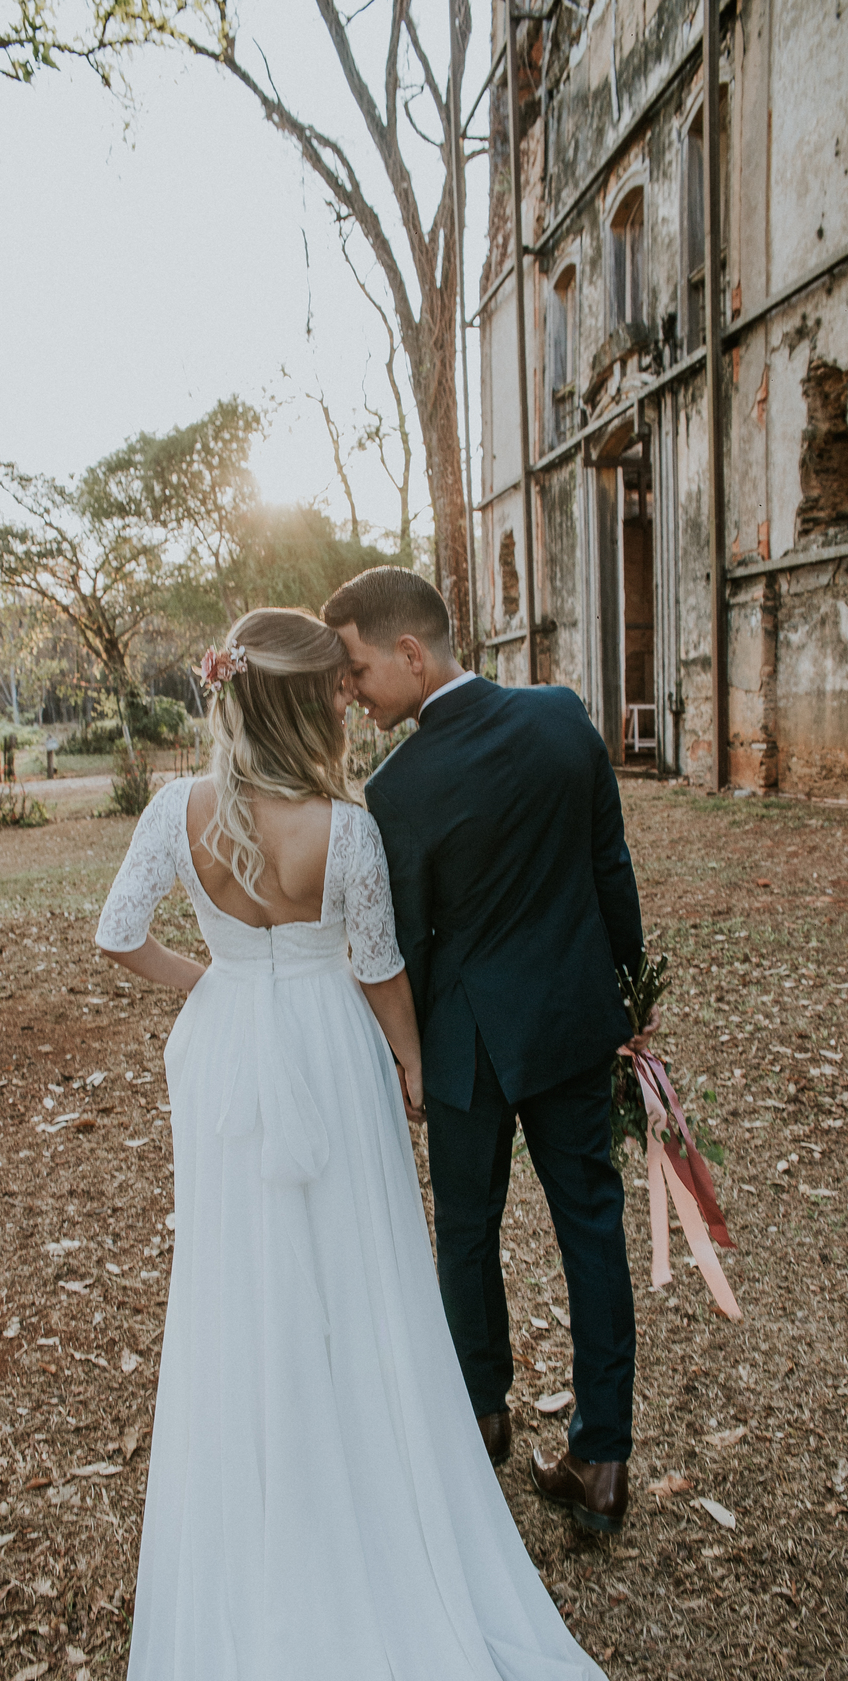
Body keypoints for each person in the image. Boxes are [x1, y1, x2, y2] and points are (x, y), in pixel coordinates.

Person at [96, 608, 607, 1681]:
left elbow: (119, 939)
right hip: (329, 1051)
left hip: (227, 1052)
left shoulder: (177, 810)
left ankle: (266, 1504)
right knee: (362, 1275)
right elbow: (378, 971)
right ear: (302, 704)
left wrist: (214, 983)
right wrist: (420, 1069)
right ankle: (367, 1488)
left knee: (238, 1284)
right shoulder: (346, 829)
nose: (346, 705)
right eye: (331, 693)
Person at [323, 570, 653, 1537]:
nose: (353, 693)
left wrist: (409, 1056)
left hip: (467, 1050)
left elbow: (408, 942)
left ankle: (480, 1418)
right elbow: (609, 866)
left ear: (411, 655)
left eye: (357, 670)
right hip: (570, 1027)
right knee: (590, 1228)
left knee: (466, 1234)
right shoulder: (563, 718)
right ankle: (602, 1459)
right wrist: (631, 998)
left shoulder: (398, 789)